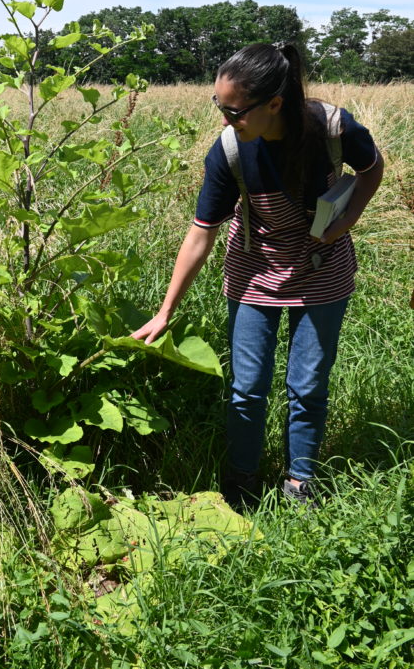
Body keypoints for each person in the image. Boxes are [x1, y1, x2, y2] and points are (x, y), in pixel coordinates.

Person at [131, 42, 383, 508]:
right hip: (254, 274)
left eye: (235, 111)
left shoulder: (332, 127)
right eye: (219, 107)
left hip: (322, 272)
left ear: (274, 103)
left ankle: (299, 483)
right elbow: (200, 233)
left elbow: (371, 168)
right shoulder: (229, 150)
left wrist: (348, 220)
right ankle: (242, 481)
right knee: (247, 388)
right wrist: (165, 311)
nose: (225, 121)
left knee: (308, 387)